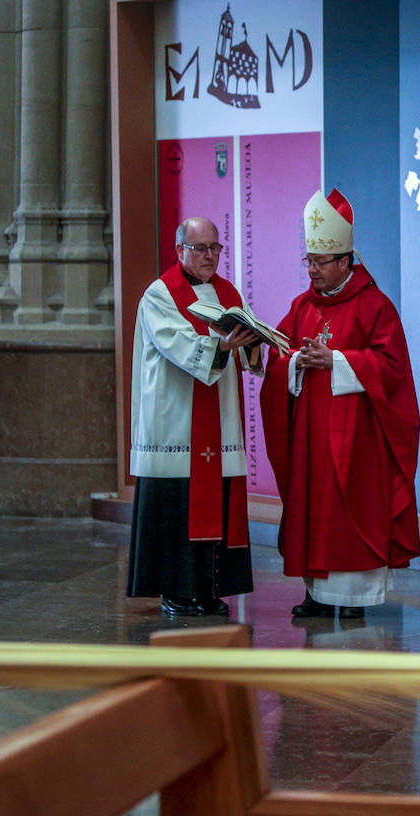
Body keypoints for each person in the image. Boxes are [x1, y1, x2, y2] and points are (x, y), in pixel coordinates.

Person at [261, 189, 420, 620]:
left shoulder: (375, 306)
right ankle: (316, 593)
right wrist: (292, 361)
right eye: (308, 261)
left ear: (345, 262)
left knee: (351, 510)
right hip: (312, 433)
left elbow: (393, 369)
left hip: (358, 437)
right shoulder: (302, 307)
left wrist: (337, 360)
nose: (311, 270)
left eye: (320, 262)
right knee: (312, 508)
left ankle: (353, 600)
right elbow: (278, 353)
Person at [127, 216, 260, 616]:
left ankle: (208, 589)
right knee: (176, 508)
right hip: (175, 422)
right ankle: (176, 591)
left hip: (216, 419)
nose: (209, 256)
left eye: (215, 248)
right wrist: (221, 346)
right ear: (179, 249)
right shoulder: (160, 294)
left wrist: (254, 340)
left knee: (215, 503)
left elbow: (246, 342)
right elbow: (176, 344)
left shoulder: (227, 293)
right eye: (200, 248)